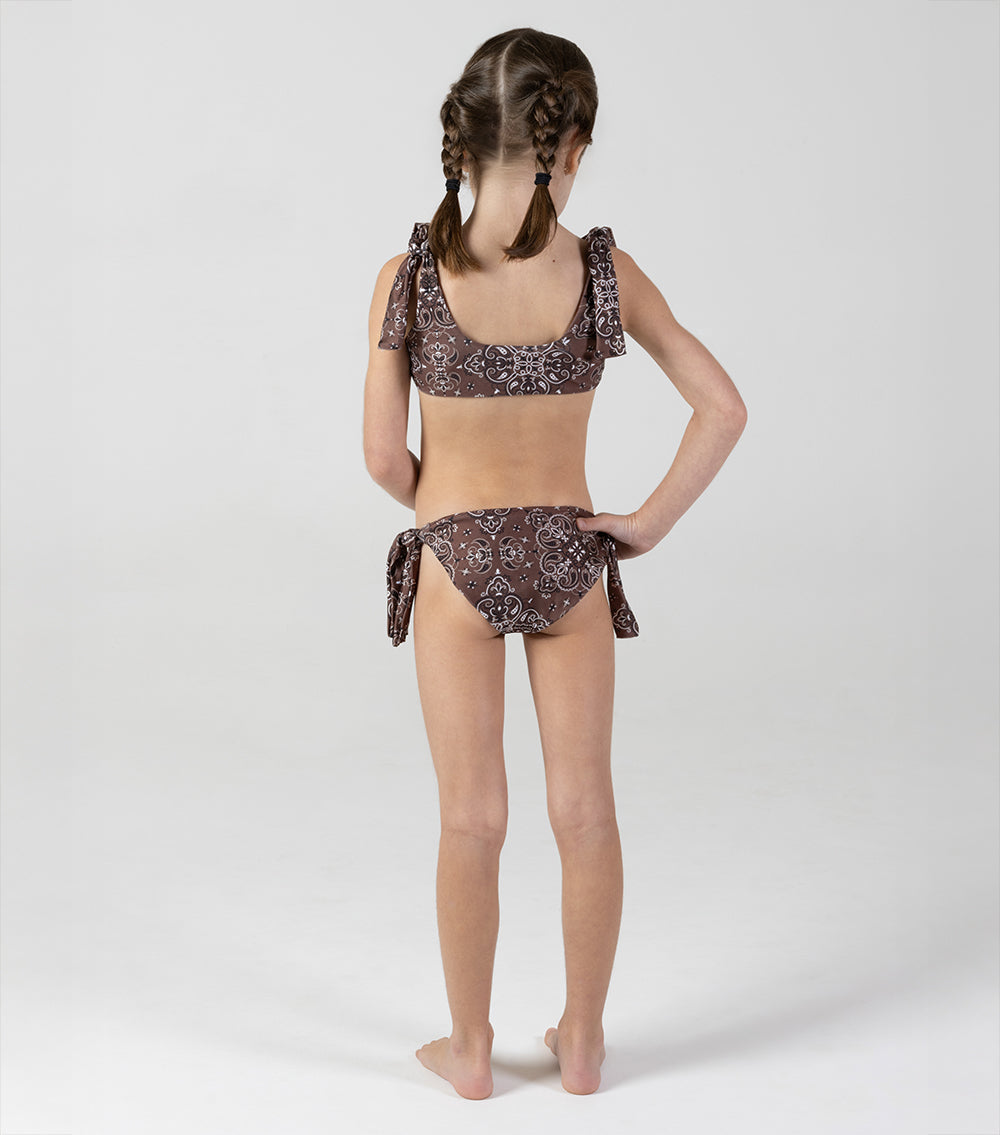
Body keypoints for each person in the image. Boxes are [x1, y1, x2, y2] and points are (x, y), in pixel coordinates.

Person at [363, 27, 747, 1100]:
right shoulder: (600, 270)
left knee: (469, 817)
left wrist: (452, 515)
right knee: (584, 810)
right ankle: (582, 1042)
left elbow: (382, 458)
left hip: (455, 564)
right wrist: (647, 523)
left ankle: (472, 1049)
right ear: (566, 147)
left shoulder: (411, 276)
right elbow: (722, 408)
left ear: (462, 137)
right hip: (571, 558)